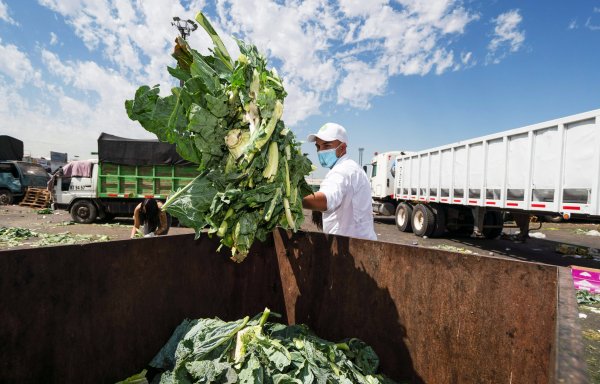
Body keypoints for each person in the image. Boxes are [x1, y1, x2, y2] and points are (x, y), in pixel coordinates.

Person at [302, 123, 377, 241]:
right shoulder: (353, 168)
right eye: (318, 147)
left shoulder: (342, 171)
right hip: (362, 242)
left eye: (327, 146)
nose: (320, 151)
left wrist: (292, 199)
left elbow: (328, 199)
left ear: (342, 148)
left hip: (351, 247)